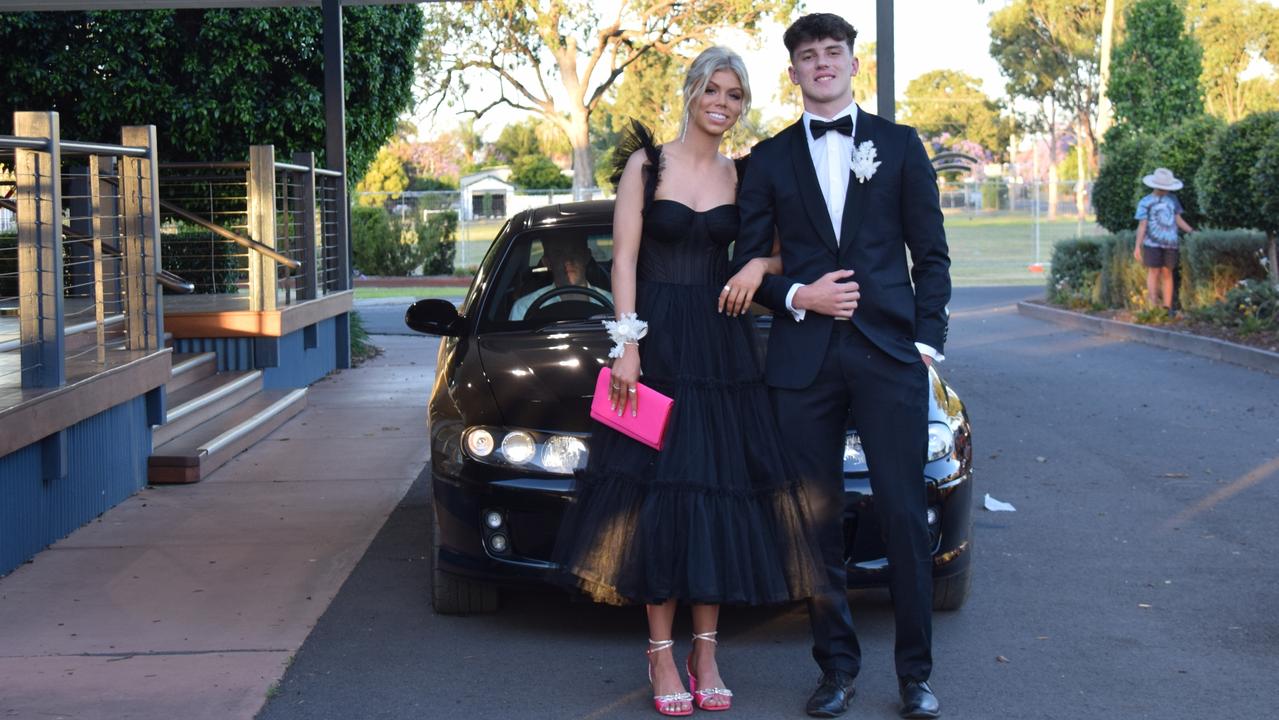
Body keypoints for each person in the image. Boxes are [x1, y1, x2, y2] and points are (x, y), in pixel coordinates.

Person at [551, 46, 827, 717]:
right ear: (691, 90)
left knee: (719, 493)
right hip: (656, 344)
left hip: (724, 350)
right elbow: (620, 261)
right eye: (714, 89)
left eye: (734, 95)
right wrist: (626, 346)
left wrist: (756, 268)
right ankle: (660, 654)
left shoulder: (746, 174)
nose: (722, 103)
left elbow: (781, 247)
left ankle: (705, 650)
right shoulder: (648, 166)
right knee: (654, 498)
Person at [728, 13, 951, 719]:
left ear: (853, 63)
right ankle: (835, 670)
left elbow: (932, 255)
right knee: (812, 522)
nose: (821, 63)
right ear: (791, 72)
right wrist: (798, 293)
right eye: (807, 55)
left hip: (889, 358)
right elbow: (744, 263)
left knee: (902, 516)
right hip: (801, 363)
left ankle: (914, 676)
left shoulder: (900, 145)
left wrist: (924, 342)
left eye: (832, 52)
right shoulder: (765, 158)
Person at [1133, 167, 1194, 313]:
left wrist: (1191, 231)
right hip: (1152, 244)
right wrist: (1137, 246)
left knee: (1167, 272)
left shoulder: (1173, 200)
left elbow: (1177, 219)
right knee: (1153, 272)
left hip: (1170, 243)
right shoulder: (1145, 202)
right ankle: (1153, 305)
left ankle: (1167, 307)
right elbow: (1142, 225)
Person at [509, 237, 612, 320]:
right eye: (559, 254)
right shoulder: (525, 307)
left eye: (574, 251)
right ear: (547, 262)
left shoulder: (613, 302)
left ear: (586, 256)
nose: (568, 261)